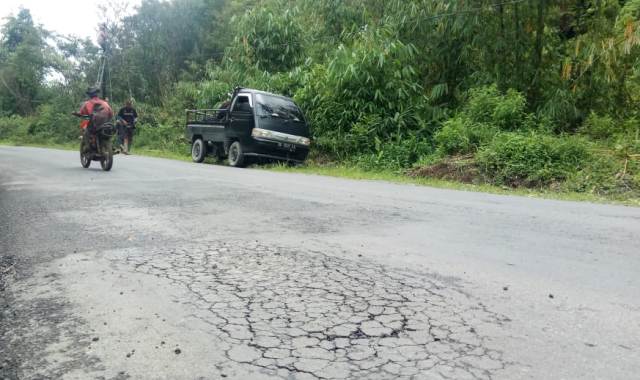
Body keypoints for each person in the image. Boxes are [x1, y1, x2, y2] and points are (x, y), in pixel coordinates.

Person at [79, 86, 113, 153]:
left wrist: (78, 114)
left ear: (89, 95)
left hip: (94, 125)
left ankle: (88, 147)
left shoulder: (87, 103)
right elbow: (111, 114)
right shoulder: (105, 103)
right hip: (106, 124)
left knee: (85, 130)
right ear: (97, 94)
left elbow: (81, 112)